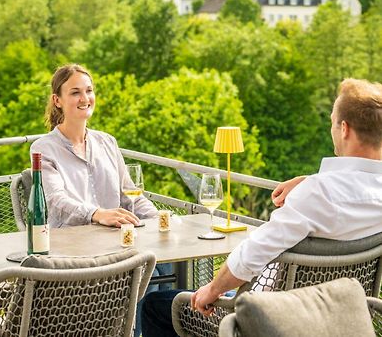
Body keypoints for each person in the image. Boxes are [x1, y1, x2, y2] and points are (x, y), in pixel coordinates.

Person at [141, 78, 382, 337]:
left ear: (344, 128)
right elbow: (352, 185)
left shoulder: (317, 193)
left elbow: (250, 257)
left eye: (332, 121)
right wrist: (309, 180)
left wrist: (212, 290)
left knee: (157, 306)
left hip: (274, 318)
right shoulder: (344, 191)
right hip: (344, 318)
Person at [30, 64, 171, 336]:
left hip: (116, 245)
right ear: (57, 100)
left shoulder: (108, 142)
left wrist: (159, 219)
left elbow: (131, 194)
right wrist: (97, 213)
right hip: (74, 250)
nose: (85, 98)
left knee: (161, 262)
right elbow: (57, 199)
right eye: (75, 93)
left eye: (89, 91)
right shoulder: (43, 148)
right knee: (148, 270)